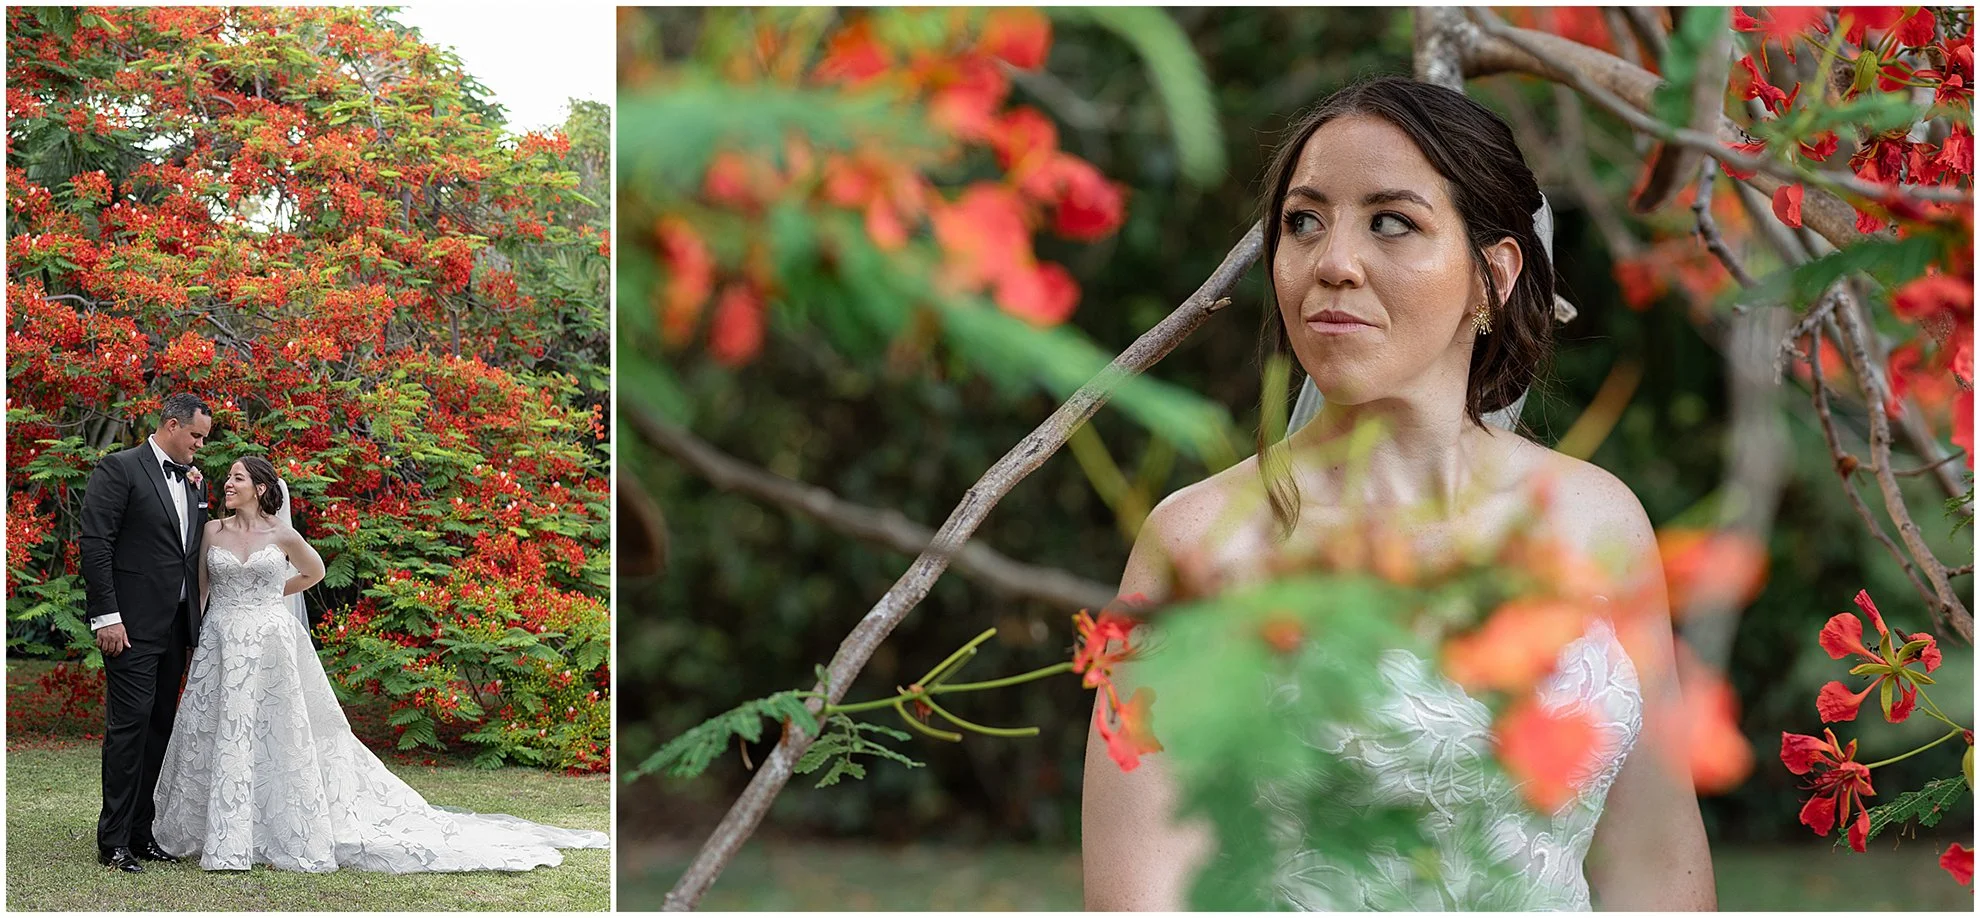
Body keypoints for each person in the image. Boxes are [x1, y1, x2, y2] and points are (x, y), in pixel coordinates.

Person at [1079, 77, 1715, 910]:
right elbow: (1141, 891)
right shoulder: (1198, 541)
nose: (1332, 264)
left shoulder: (1601, 521)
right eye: (1304, 222)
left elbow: (1654, 859)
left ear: (1493, 275)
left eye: (1392, 222)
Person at [149, 455, 609, 872]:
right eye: (228, 477)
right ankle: (217, 829)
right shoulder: (212, 531)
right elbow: (202, 589)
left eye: (237, 478)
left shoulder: (283, 534)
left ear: (262, 488)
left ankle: (276, 828)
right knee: (217, 731)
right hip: (222, 642)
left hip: (270, 643)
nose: (227, 483)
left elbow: (315, 573)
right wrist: (195, 639)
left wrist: (270, 598)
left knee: (277, 733)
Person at [80, 393, 213, 873]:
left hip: (177, 626)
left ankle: (141, 833)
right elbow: (95, 545)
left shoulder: (196, 480)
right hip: (130, 627)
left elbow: (189, 554)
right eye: (196, 436)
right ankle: (112, 841)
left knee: (159, 727)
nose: (200, 446)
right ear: (171, 425)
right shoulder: (119, 469)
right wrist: (106, 616)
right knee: (128, 728)